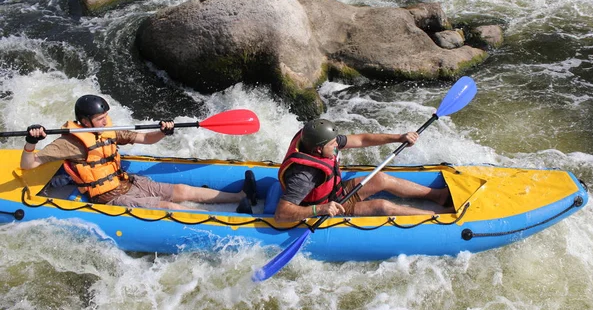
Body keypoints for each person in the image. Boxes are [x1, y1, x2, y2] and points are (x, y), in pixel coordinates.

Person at [20, 94, 256, 211]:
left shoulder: (107, 130)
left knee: (181, 191)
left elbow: (146, 138)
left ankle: (240, 197)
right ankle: (225, 223)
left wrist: (164, 131)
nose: (105, 121)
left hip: (128, 182)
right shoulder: (70, 143)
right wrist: (31, 142)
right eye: (100, 119)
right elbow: (29, 164)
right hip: (108, 197)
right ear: (84, 121)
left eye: (105, 117)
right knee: (168, 207)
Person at [274, 119, 452, 222]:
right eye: (333, 144)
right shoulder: (304, 175)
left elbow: (362, 139)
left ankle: (438, 196)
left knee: (381, 178)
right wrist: (319, 209)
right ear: (318, 150)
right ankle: (439, 216)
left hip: (335, 192)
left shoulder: (321, 142)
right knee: (381, 206)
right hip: (327, 206)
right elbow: (282, 213)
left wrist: (399, 138)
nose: (338, 145)